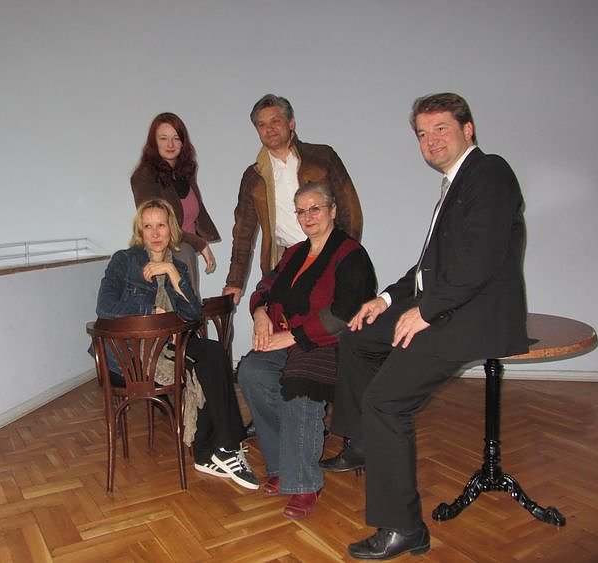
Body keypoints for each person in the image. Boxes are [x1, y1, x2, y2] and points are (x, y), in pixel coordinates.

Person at [328, 93, 529, 560]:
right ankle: (364, 440)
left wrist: (425, 311)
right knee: (356, 335)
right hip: (446, 305)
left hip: (471, 315)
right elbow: (426, 269)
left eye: (441, 128)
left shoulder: (489, 172)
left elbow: (479, 260)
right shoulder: (455, 184)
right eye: (422, 133)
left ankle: (404, 529)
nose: (431, 140)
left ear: (468, 129)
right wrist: (383, 300)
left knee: (386, 402)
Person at [96, 198, 259, 490]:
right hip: (132, 355)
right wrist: (151, 311)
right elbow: (105, 306)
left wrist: (172, 275)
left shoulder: (178, 266)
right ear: (140, 231)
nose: (155, 233)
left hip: (169, 346)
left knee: (212, 353)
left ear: (171, 229)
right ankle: (221, 449)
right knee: (202, 363)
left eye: (161, 225)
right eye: (148, 226)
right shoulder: (124, 261)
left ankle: (220, 450)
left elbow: (193, 314)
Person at [237, 182, 376, 519]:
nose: (307, 216)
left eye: (315, 208)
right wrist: (259, 313)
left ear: (332, 210)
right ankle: (283, 465)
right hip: (287, 338)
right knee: (252, 372)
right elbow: (265, 287)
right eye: (301, 211)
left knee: (300, 387)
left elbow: (345, 312)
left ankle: (304, 482)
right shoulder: (294, 253)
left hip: (328, 342)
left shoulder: (350, 254)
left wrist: (294, 336)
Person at [223, 94, 363, 304]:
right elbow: (243, 232)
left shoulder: (322, 157)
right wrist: (235, 281)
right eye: (262, 125)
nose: (269, 129)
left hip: (329, 254)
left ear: (291, 123)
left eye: (275, 121)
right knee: (285, 320)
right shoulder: (253, 177)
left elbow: (350, 209)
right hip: (286, 261)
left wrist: (345, 255)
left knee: (333, 319)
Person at [131, 112, 221, 297]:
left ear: (183, 142)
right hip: (163, 248)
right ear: (153, 142)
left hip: (184, 247)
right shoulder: (144, 176)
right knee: (186, 300)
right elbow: (156, 224)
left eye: (176, 138)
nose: (170, 145)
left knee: (189, 294)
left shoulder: (184, 172)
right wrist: (200, 244)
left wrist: (204, 237)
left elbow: (196, 210)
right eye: (163, 138)